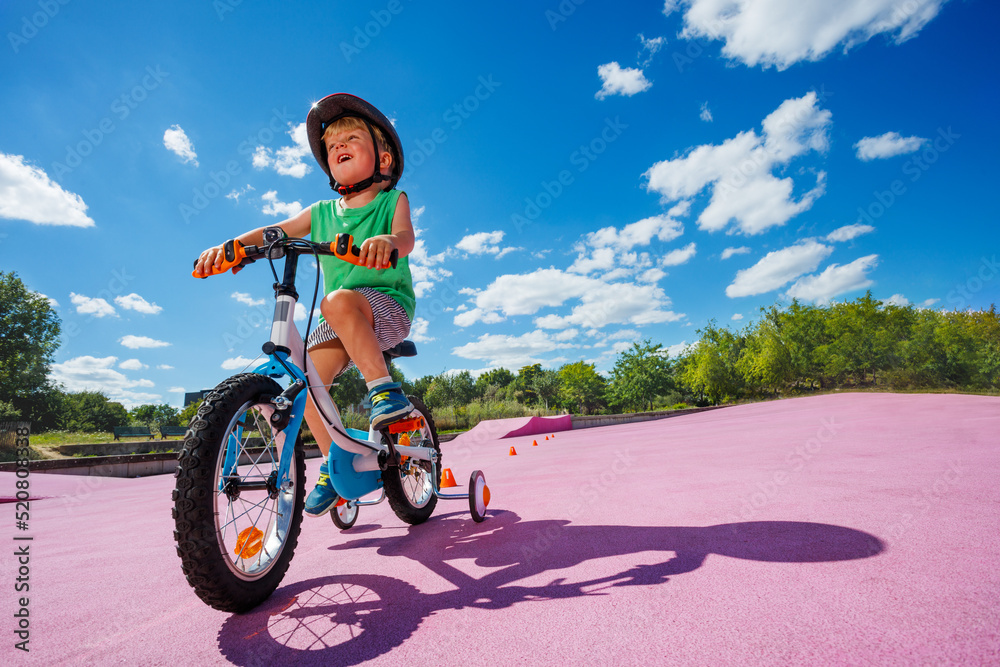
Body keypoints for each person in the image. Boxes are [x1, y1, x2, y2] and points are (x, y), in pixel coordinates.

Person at [193, 94, 416, 517]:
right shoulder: (320, 213)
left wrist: (388, 242)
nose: (339, 147)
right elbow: (275, 231)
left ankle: (385, 393)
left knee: (337, 301)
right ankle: (336, 463)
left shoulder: (392, 201)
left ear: (383, 160)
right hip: (337, 318)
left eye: (351, 138)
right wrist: (231, 248)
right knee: (307, 381)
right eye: (332, 146)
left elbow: (405, 238)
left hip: (386, 308)